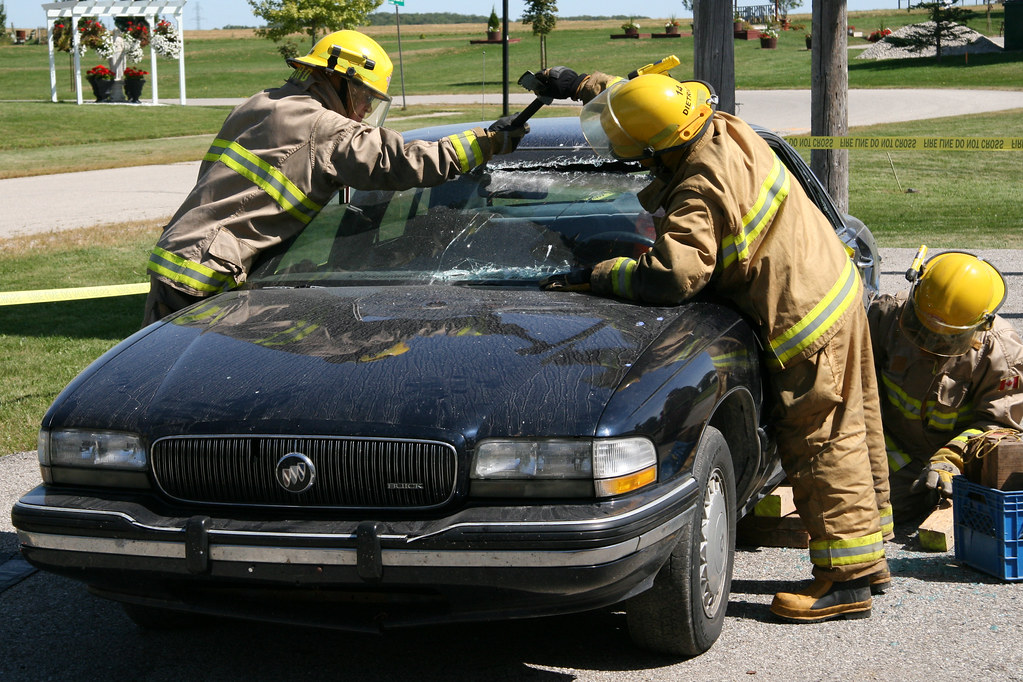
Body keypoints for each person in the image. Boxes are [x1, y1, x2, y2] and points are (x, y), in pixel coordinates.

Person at [533, 68, 890, 622]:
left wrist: (603, 275)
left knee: (821, 440)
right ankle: (868, 554)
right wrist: (584, 84)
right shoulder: (715, 123)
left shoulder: (701, 183)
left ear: (663, 145)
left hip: (804, 318)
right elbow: (647, 96)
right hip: (833, 289)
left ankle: (847, 582)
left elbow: (674, 276)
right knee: (853, 425)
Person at [142, 30, 527, 326]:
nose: (363, 111)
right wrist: (486, 141)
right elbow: (407, 162)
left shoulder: (261, 102)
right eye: (365, 97)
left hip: (180, 256)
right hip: (210, 272)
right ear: (341, 79)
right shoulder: (324, 126)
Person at [868, 247, 1023, 521]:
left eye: (946, 340)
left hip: (957, 467)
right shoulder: (885, 317)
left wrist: (950, 459)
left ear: (979, 327)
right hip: (888, 454)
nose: (928, 345)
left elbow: (1002, 426)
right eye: (921, 327)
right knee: (863, 506)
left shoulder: (1001, 352)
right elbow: (858, 392)